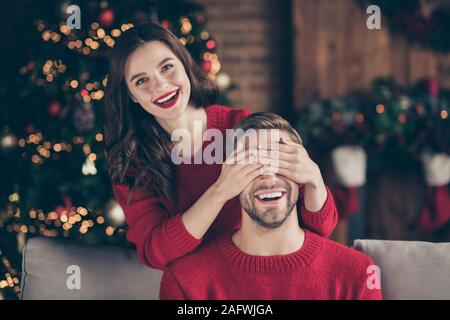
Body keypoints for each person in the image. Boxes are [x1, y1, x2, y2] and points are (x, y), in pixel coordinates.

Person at [103, 21, 338, 270]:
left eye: (167, 67)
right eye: (141, 81)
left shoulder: (241, 126)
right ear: (130, 95)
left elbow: (319, 228)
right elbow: (155, 252)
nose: (160, 85)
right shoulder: (133, 161)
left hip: (258, 270)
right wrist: (220, 192)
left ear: (185, 65)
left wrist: (313, 178)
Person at [160, 113, 382, 300]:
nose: (267, 173)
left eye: (280, 158)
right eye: (250, 160)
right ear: (229, 176)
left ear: (301, 170)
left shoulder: (357, 273)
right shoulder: (185, 282)